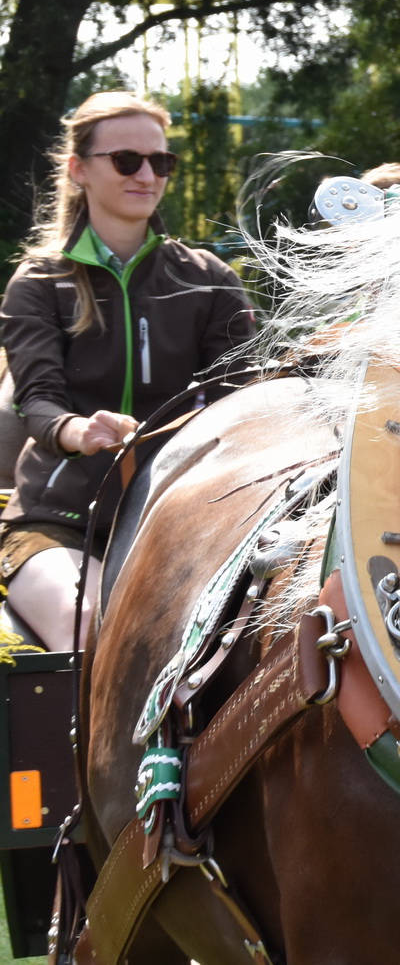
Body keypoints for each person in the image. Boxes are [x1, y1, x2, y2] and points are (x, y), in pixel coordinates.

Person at [0, 92, 256, 651]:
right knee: (92, 625)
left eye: (161, 161)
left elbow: (242, 396)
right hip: (58, 521)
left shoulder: (209, 278)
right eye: (126, 160)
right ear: (79, 170)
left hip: (183, 518)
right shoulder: (38, 283)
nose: (147, 176)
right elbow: (37, 400)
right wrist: (77, 430)